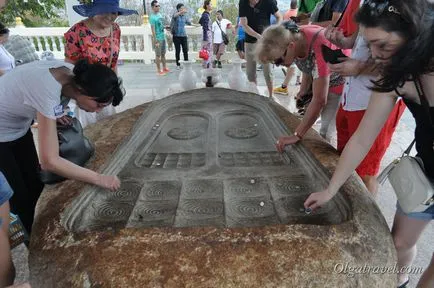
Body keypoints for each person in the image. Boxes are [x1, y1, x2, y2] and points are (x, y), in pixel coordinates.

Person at [303, 1, 434, 287]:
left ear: (415, 34)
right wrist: (330, 189)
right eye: (369, 45)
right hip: (427, 173)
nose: (375, 56)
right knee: (398, 243)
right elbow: (363, 138)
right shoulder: (395, 77)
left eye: (382, 46)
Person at [0, 59, 124, 234]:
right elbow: (50, 161)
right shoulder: (46, 87)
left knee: (34, 184)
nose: (97, 111)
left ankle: (38, 230)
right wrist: (99, 178)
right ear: (81, 90)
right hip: (2, 130)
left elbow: (38, 98)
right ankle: (34, 241)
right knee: (18, 196)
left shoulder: (76, 75)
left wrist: (53, 114)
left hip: (18, 125)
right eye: (98, 105)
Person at [324, 0, 405, 193]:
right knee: (344, 158)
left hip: (375, 99)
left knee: (366, 173)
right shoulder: (366, 2)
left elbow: (403, 64)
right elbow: (357, 39)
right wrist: (342, 42)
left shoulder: (410, 7)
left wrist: (361, 67)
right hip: (350, 95)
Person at [257, 23, 345, 142]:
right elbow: (308, 64)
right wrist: (304, 89)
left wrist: (297, 135)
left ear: (291, 46)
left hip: (341, 81)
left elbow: (319, 100)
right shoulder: (294, 35)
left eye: (278, 60)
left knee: (326, 130)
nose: (278, 65)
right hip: (324, 78)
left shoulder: (320, 48)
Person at [64, 0, 137, 126]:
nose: (109, 16)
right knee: (89, 130)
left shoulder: (115, 29)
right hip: (88, 93)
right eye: (104, 11)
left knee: (110, 128)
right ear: (94, 10)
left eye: (113, 12)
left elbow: (113, 63)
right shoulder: (76, 32)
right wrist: (78, 96)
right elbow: (69, 67)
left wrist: (115, 88)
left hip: (107, 90)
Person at [273, 0, 348, 95]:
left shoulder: (339, 2)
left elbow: (335, 23)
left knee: (322, 95)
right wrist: (307, 16)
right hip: (319, 50)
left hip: (329, 51)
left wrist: (310, 26)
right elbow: (307, 64)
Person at [239, 0, 282, 97]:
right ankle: (254, 95)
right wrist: (258, 36)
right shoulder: (243, 2)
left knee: (268, 71)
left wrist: (274, 30)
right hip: (249, 41)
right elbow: (244, 24)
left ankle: (271, 96)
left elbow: (279, 16)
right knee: (250, 72)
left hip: (266, 43)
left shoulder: (269, 2)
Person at [150, 0, 169, 76]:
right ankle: (158, 70)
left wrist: (166, 27)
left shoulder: (160, 15)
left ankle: (164, 67)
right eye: (156, 6)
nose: (158, 7)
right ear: (152, 7)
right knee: (158, 55)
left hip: (163, 37)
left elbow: (161, 25)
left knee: (163, 54)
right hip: (158, 38)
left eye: (158, 6)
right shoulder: (152, 17)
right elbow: (153, 30)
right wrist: (155, 40)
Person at [171, 3, 191, 69]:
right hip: (176, 35)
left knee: (185, 50)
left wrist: (196, 25)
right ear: (178, 9)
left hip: (183, 35)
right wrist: (181, 12)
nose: (183, 9)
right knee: (178, 51)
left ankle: (186, 64)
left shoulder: (185, 16)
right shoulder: (175, 15)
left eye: (183, 8)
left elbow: (189, 22)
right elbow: (174, 16)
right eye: (182, 8)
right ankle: (178, 64)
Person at [199, 0, 212, 68]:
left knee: (207, 51)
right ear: (207, 5)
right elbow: (204, 27)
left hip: (207, 34)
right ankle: (206, 66)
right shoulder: (205, 15)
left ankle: (207, 66)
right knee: (206, 51)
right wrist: (205, 38)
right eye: (211, 4)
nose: (211, 6)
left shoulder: (206, 14)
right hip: (206, 35)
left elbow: (200, 22)